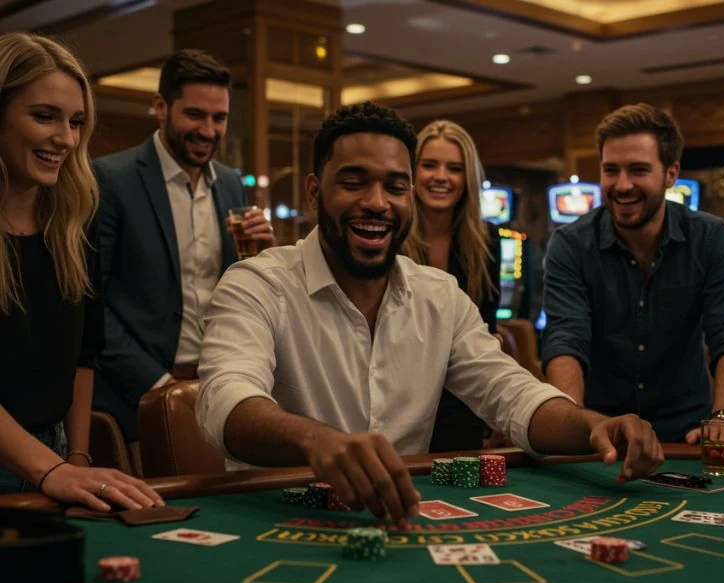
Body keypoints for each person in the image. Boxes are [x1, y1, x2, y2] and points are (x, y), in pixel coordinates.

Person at [196, 101, 664, 531]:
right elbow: (225, 400)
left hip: (400, 526)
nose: (378, 202)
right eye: (354, 182)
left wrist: (592, 426)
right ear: (316, 192)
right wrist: (316, 442)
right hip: (277, 524)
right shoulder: (256, 284)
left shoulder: (440, 296)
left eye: (395, 186)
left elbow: (514, 396)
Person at [0, 33, 163, 510]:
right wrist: (51, 469)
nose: (67, 139)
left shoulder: (75, 219)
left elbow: (83, 355)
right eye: (44, 116)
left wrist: (76, 457)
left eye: (75, 122)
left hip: (53, 458)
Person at [541, 103, 724, 446]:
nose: (622, 185)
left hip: (687, 435)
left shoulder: (709, 236)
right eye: (611, 170)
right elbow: (566, 338)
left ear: (671, 174)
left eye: (638, 170)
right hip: (602, 432)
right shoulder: (570, 244)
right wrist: (574, 424)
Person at [92, 49, 275, 444]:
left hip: (216, 386)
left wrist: (263, 255)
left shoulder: (230, 183)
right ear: (161, 107)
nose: (208, 131)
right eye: (195, 115)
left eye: (219, 118)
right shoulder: (111, 179)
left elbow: (236, 288)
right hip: (133, 397)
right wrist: (158, 383)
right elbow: (92, 302)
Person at [402, 119, 501, 452]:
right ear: (412, 172)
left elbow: (486, 328)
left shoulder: (487, 240)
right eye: (429, 165)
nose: (441, 177)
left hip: (463, 399)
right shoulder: (391, 235)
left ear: (468, 178)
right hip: (398, 397)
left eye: (455, 168)